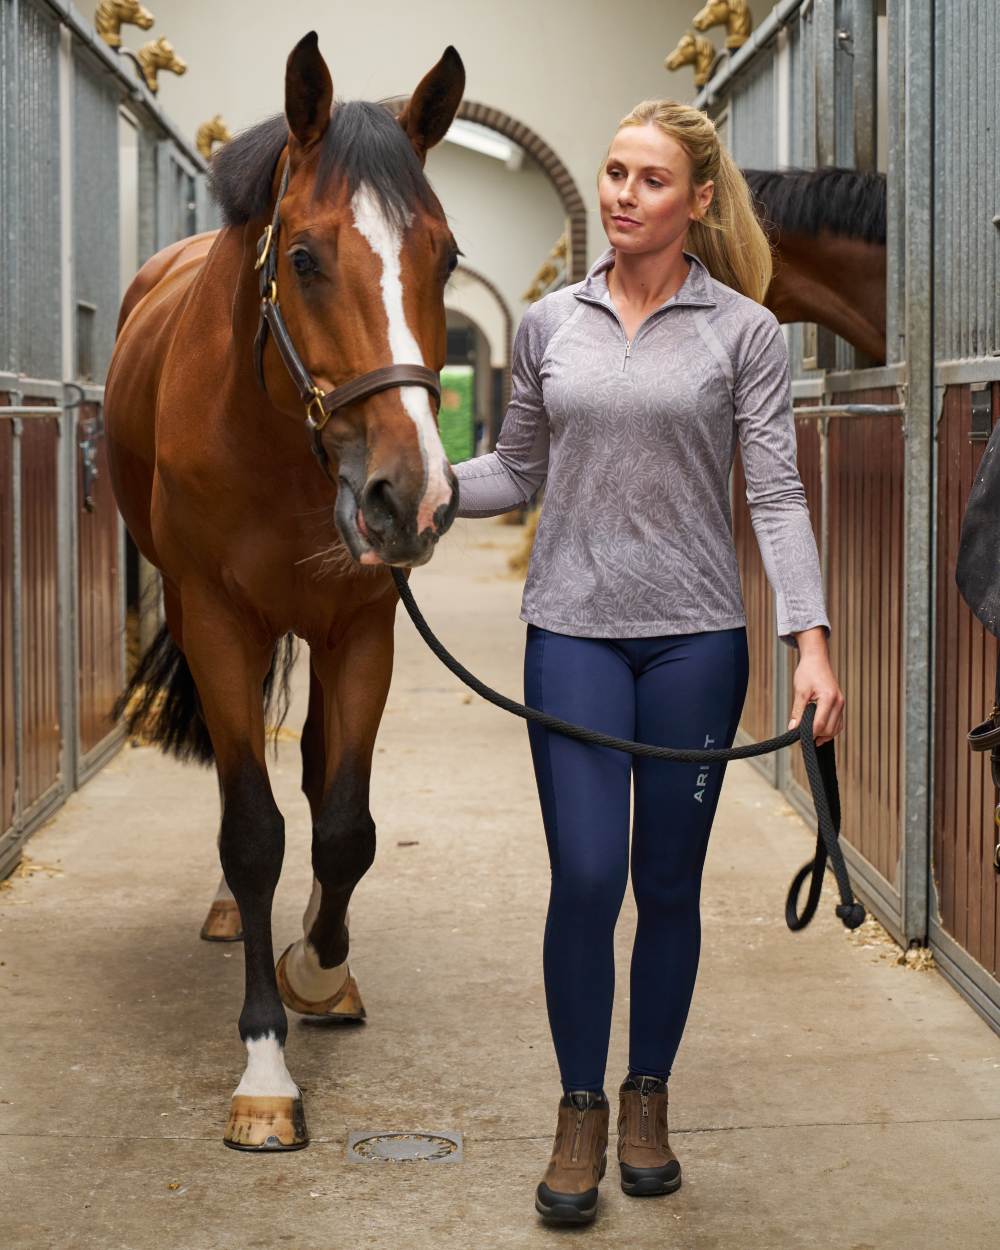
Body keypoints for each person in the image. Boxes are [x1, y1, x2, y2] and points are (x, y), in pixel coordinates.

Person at [451, 99, 845, 1227]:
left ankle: (645, 1098)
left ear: (698, 203)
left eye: (649, 179)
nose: (622, 194)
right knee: (586, 876)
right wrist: (430, 491)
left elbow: (773, 494)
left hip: (693, 642)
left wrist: (807, 643)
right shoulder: (546, 325)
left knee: (666, 882)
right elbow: (514, 469)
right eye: (612, 172)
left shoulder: (745, 334)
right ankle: (577, 1106)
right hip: (570, 629)